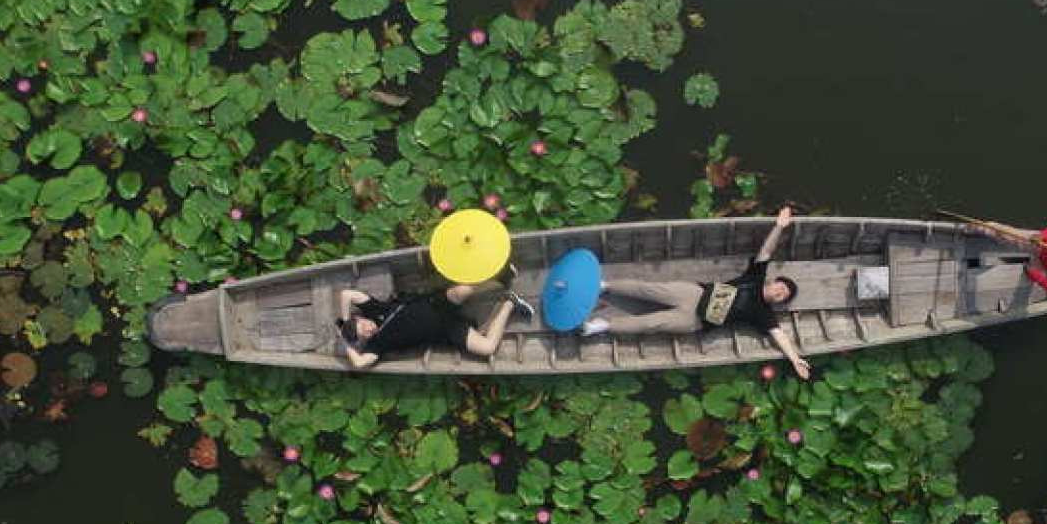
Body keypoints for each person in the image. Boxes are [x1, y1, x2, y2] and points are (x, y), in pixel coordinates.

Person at [581, 206, 812, 379]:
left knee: (650, 324)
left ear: (778, 302)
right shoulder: (755, 277)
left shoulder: (763, 314)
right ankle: (606, 286)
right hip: (694, 294)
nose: (780, 292)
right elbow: (766, 251)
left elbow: (780, 336)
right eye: (781, 287)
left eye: (783, 296)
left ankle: (604, 326)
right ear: (773, 282)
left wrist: (795, 359)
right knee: (648, 289)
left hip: (695, 320)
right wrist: (779, 226)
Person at [337, 280, 534, 369]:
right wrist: (346, 342)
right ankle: (510, 303)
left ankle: (500, 279)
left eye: (364, 325)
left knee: (463, 290)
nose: (369, 329)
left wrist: (344, 321)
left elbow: (346, 294)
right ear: (364, 339)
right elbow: (359, 362)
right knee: (488, 348)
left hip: (435, 304)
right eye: (365, 334)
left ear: (360, 318)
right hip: (445, 330)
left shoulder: (373, 309)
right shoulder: (377, 345)